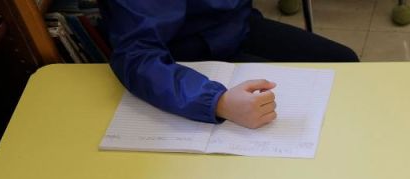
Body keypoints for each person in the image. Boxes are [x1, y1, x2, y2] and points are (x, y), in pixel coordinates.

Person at [103, 0, 358, 127]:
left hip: (237, 26)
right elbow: (137, 56)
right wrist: (217, 102)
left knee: (344, 65)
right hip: (183, 58)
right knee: (286, 116)